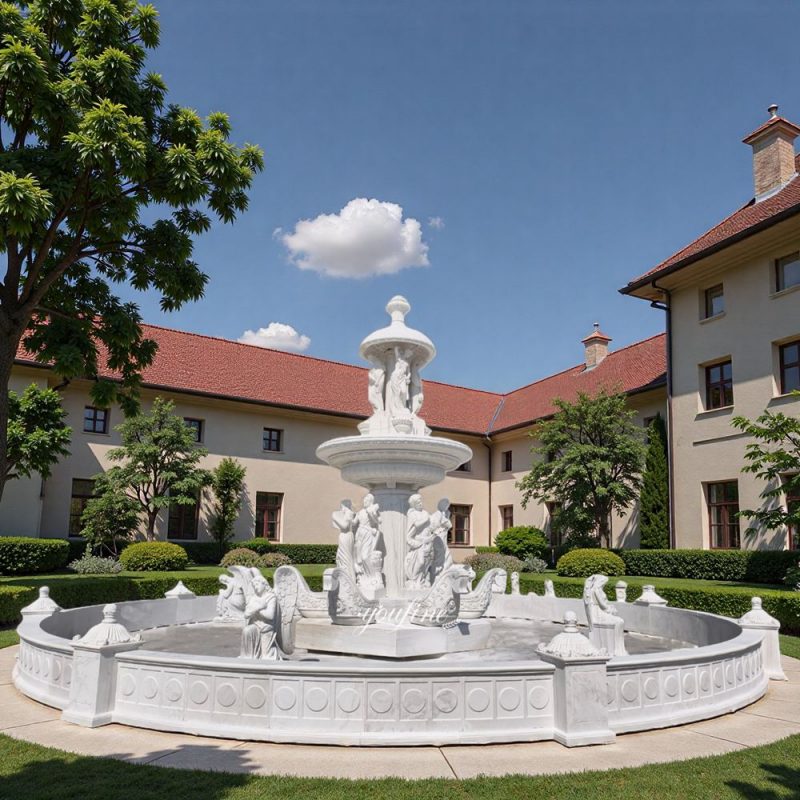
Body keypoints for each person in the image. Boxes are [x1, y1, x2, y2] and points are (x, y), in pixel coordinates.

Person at [240, 575, 282, 660]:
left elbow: (270, 616)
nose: (255, 587)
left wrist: (257, 609)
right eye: (254, 586)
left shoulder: (271, 597)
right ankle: (248, 657)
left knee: (266, 656)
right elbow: (246, 615)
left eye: (257, 584)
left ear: (264, 584)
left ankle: (273, 654)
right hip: (255, 626)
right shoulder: (253, 598)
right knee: (246, 630)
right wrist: (258, 608)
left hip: (266, 628)